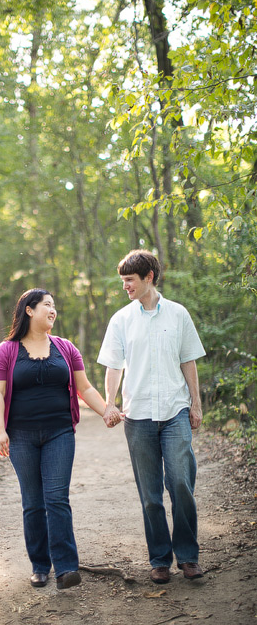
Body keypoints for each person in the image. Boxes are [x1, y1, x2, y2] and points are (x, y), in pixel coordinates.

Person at [0, 288, 115, 590]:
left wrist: (107, 411)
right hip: (21, 435)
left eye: (54, 305)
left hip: (60, 432)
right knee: (33, 502)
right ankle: (40, 565)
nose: (53, 310)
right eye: (47, 304)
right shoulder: (5, 351)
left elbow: (85, 388)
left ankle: (66, 567)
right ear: (29, 310)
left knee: (57, 498)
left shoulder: (65, 348)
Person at [98, 249, 206, 584]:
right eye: (123, 280)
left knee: (181, 485)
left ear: (149, 277)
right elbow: (113, 366)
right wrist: (109, 403)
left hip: (175, 411)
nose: (125, 286)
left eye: (130, 280)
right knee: (150, 494)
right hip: (138, 416)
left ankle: (188, 556)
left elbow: (188, 360)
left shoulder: (178, 314)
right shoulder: (121, 320)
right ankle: (160, 559)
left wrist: (196, 404)